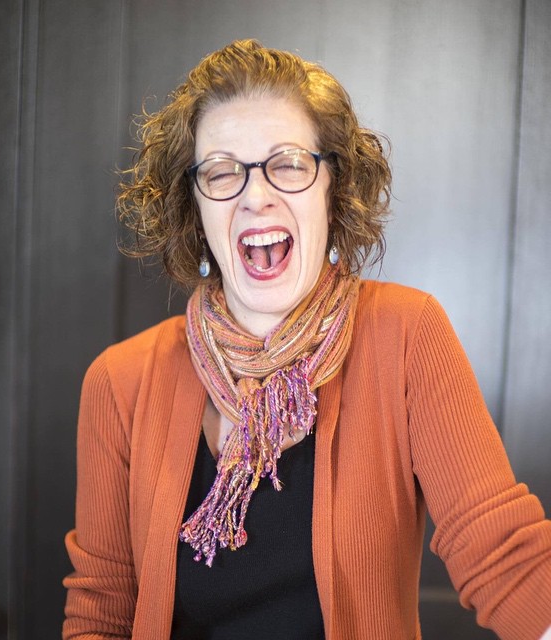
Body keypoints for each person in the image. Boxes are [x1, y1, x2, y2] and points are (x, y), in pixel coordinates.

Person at [62, 39, 551, 639]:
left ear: (332, 188)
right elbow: (101, 612)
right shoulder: (120, 381)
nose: (256, 194)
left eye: (288, 163)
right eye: (221, 172)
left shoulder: (406, 335)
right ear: (194, 209)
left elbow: (503, 555)